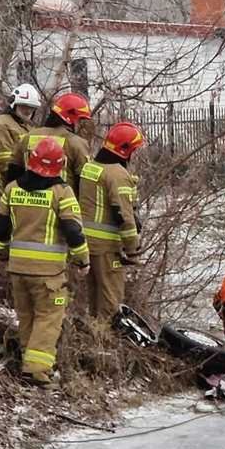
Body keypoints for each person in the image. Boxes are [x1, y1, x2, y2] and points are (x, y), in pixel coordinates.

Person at [0, 137, 90, 387]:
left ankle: (29, 362)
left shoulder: (12, 189)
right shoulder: (61, 192)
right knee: (48, 319)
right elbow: (73, 230)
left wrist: (2, 252)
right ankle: (37, 371)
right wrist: (83, 259)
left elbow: (1, 227)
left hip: (18, 269)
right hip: (49, 273)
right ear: (61, 165)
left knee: (27, 317)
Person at [78, 122, 144, 321]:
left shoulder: (91, 167)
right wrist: (133, 250)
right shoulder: (117, 174)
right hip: (107, 248)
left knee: (94, 301)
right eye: (134, 150)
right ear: (125, 150)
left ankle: (94, 339)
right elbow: (124, 217)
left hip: (87, 245)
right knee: (110, 305)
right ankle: (105, 343)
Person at [5, 92, 92, 194]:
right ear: (70, 118)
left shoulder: (27, 137)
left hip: (24, 204)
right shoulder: (76, 143)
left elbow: (13, 172)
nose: (80, 125)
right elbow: (85, 184)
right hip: (61, 205)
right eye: (80, 120)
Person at [0, 83, 39, 182]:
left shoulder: (29, 127)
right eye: (24, 106)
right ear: (14, 105)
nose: (28, 111)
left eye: (32, 107)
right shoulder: (2, 124)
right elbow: (3, 161)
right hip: (6, 181)